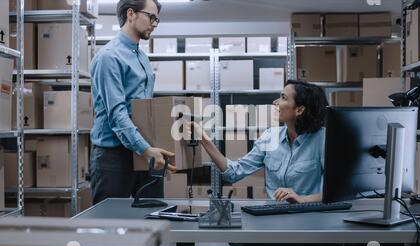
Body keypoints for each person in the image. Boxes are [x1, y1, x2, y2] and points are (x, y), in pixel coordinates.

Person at [89, 0, 176, 205]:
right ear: (131, 14)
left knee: (152, 219)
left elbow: (146, 109)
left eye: (157, 19)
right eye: (151, 17)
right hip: (114, 157)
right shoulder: (109, 57)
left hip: (144, 150)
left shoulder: (142, 58)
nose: (155, 23)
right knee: (109, 227)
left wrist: (153, 147)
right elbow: (117, 114)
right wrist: (146, 150)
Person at [191, 80, 328, 203]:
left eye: (283, 98)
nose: (276, 102)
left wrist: (302, 199)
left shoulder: (322, 140)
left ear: (299, 110)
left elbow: (340, 192)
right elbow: (234, 172)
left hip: (308, 221)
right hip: (273, 220)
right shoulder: (270, 136)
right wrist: (203, 138)